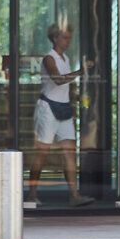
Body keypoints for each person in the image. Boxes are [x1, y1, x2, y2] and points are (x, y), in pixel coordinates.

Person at [26, 21, 91, 208]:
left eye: (69, 37)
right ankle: (31, 195)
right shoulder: (49, 58)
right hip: (48, 108)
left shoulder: (65, 58)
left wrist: (75, 96)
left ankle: (74, 195)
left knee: (69, 153)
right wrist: (81, 71)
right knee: (42, 153)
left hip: (63, 107)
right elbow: (57, 80)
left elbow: (65, 84)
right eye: (65, 37)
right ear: (55, 38)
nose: (68, 40)